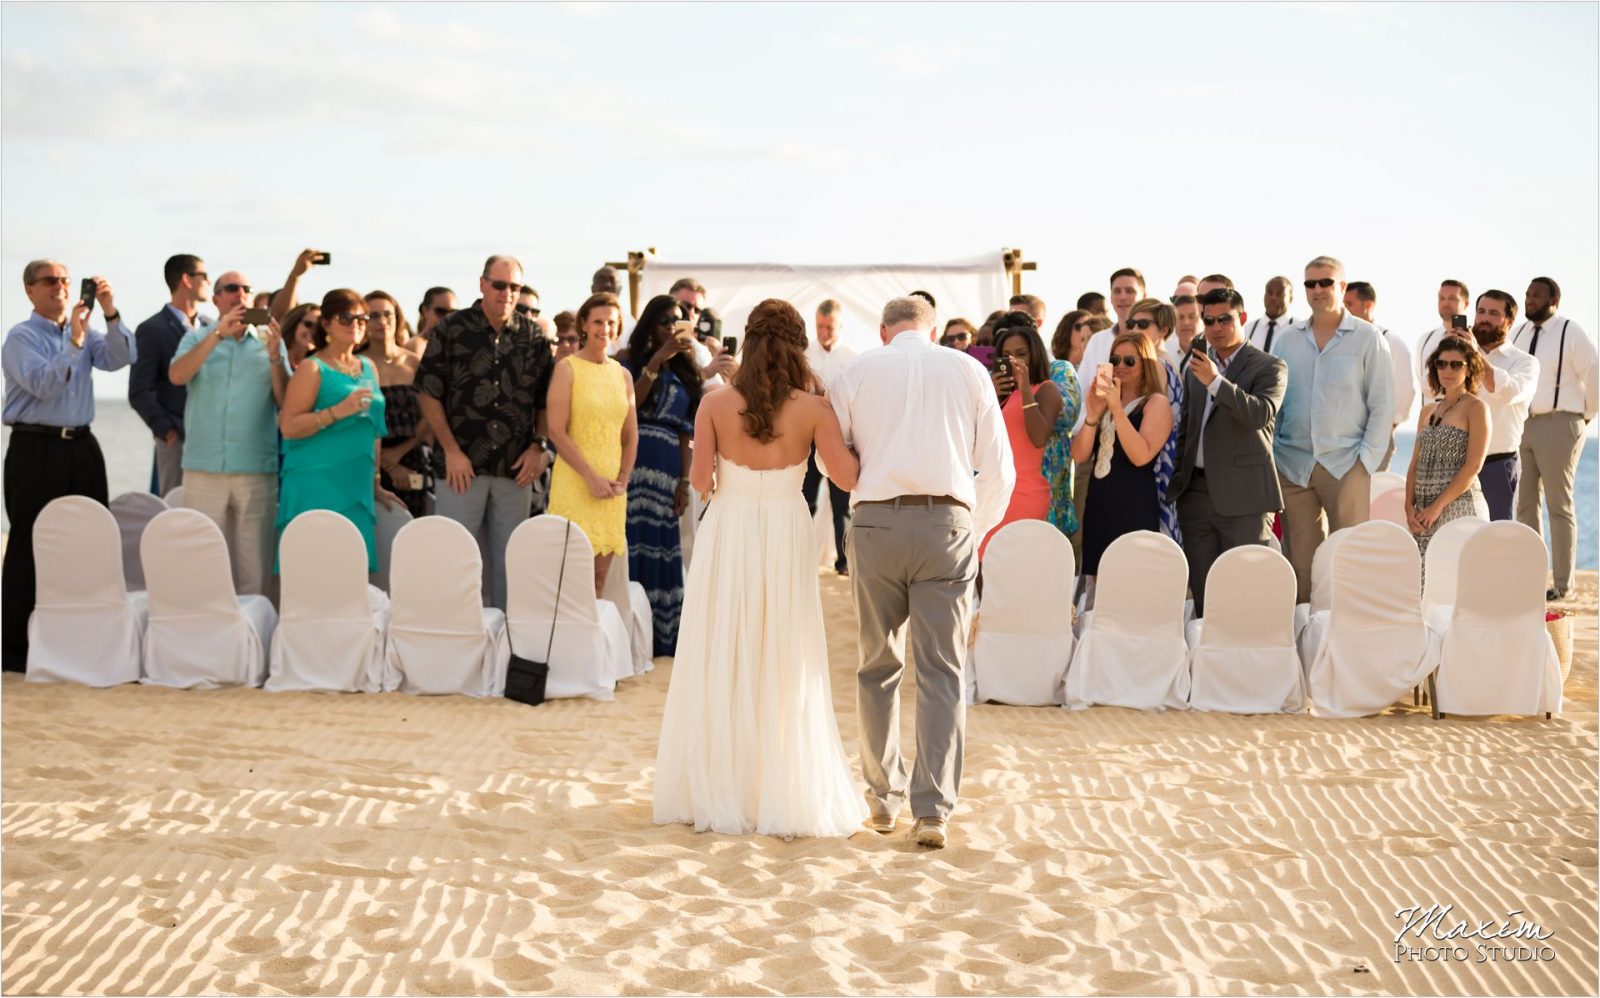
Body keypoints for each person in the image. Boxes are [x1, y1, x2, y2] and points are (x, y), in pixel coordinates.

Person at [653, 298, 867, 839]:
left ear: (747, 341)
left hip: (729, 531)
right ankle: (778, 785)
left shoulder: (717, 404)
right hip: (785, 530)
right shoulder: (816, 408)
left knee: (725, 646)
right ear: (799, 345)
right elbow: (844, 479)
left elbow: (701, 481)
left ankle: (724, 784)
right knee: (784, 649)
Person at [828, 295, 1013, 849]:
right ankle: (931, 811)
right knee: (943, 672)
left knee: (876, 665)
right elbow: (998, 470)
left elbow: (830, 463)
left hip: (876, 524)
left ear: (885, 331)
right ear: (931, 331)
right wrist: (971, 531)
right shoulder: (967, 370)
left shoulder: (856, 371)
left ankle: (882, 800)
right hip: (948, 523)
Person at [2, 261, 134, 671]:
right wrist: (74, 343)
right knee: (28, 544)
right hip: (34, 448)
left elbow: (121, 357)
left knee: (91, 539)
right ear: (29, 290)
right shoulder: (20, 338)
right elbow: (44, 384)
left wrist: (110, 313)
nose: (60, 286)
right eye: (49, 281)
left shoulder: (85, 332)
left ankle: (84, 641)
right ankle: (15, 653)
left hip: (81, 444)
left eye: (64, 280)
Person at [417, 255, 554, 610]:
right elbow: (428, 392)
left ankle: (506, 651)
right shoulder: (451, 329)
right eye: (500, 285)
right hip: (460, 468)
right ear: (482, 284)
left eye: (515, 287)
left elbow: (544, 401)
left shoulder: (534, 336)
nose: (507, 293)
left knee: (511, 565)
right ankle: (456, 644)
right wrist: (450, 450)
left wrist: (540, 445)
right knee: (457, 561)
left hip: (516, 470)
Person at [1271, 256, 1394, 603]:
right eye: (1310, 284)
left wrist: (1364, 463)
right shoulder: (1286, 339)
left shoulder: (1369, 338)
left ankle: (1349, 633)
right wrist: (1275, 455)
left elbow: (1383, 405)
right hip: (1292, 465)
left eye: (1325, 282)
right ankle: (1307, 637)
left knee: (1351, 558)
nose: (1317, 290)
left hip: (1346, 464)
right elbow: (1276, 400)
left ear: (1342, 287)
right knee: (1301, 563)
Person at [169, 269, 287, 598]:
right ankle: (206, 635)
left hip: (255, 469)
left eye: (247, 289)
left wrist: (277, 356)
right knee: (202, 561)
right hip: (203, 467)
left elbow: (285, 401)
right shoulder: (196, 338)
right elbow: (177, 376)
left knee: (255, 566)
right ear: (217, 298)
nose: (241, 294)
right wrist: (216, 336)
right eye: (231, 288)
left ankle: (254, 637)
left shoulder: (270, 342)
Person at [1169, 289, 1287, 617]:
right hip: (1195, 495)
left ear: (1243, 318)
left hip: (1244, 498)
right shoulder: (1196, 364)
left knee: (1248, 591)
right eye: (1209, 321)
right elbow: (1187, 426)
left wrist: (1216, 382)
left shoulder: (1269, 366)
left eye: (1225, 319)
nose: (1216, 327)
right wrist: (1181, 479)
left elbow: (1259, 414)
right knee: (1207, 596)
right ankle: (1210, 660)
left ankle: (1250, 663)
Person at [277, 289, 399, 570]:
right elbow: (289, 427)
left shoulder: (368, 366)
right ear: (327, 324)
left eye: (361, 318)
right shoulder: (312, 368)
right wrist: (336, 412)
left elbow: (375, 432)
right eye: (347, 317)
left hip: (356, 485)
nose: (356, 324)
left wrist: (376, 482)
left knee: (351, 570)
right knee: (314, 567)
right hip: (315, 483)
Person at [619, 295, 702, 655]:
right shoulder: (627, 362)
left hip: (668, 466)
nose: (673, 326)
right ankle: (630, 636)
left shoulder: (687, 371)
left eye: (679, 320)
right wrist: (655, 361)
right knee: (633, 540)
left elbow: (687, 433)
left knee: (663, 544)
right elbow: (628, 409)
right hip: (633, 462)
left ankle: (663, 636)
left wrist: (685, 481)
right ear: (650, 324)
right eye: (666, 320)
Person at [1511, 276, 1597, 599]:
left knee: (1558, 505)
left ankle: (1564, 586)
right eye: (1528, 294)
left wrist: (1584, 415)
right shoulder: (1518, 332)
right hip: (1524, 424)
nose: (1529, 300)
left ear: (1553, 299)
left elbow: (1593, 371)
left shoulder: (1570, 331)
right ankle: (1532, 580)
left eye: (1536, 295)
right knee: (1525, 505)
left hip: (1561, 423)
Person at [547, 292, 638, 596]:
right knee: (572, 581)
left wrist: (623, 479)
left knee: (598, 582)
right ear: (584, 324)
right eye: (598, 321)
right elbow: (556, 431)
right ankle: (566, 643)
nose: (604, 328)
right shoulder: (567, 368)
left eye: (611, 322)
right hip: (576, 483)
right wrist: (589, 476)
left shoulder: (623, 375)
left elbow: (630, 434)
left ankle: (590, 643)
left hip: (612, 489)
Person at [1071, 332, 1172, 593]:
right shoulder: (1104, 402)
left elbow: (1141, 455)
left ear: (1146, 363)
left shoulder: (1156, 403)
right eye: (1115, 359)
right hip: (1099, 504)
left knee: (1132, 586)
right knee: (1099, 583)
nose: (1120, 366)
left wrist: (1116, 408)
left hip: (1134, 505)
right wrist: (1093, 414)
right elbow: (1080, 455)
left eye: (1130, 360)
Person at [1406, 335, 1490, 576]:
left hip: (1459, 510)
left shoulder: (1477, 408)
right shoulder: (1427, 410)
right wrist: (1408, 507)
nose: (1447, 370)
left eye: (1456, 364)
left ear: (1469, 368)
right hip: (1423, 514)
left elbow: (1473, 466)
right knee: (1424, 590)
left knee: (1459, 588)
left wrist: (1436, 507)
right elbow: (1415, 464)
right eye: (1441, 364)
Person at [983, 314, 1067, 554]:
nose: (1014, 360)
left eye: (1021, 353)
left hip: (1025, 492)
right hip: (992, 491)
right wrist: (991, 396)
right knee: (985, 569)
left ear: (1034, 355)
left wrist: (1025, 389)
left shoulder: (1046, 390)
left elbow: (1039, 436)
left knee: (1018, 567)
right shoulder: (996, 393)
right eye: (1007, 355)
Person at [130, 254, 207, 497]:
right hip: (176, 437)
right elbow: (139, 390)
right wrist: (166, 431)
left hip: (209, 438)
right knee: (175, 505)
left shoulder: (211, 327)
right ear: (186, 280)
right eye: (203, 276)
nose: (209, 281)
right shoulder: (152, 329)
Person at [1464, 290, 1538, 521]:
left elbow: (1507, 391)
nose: (1484, 318)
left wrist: (1474, 353)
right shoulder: (1457, 356)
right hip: (1457, 463)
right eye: (1481, 312)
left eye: (1494, 313)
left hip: (1497, 465)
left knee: (1497, 536)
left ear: (1509, 321)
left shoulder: (1525, 362)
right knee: (1454, 534)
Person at [360, 290, 430, 517]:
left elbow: (429, 415)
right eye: (373, 316)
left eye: (387, 314)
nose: (382, 321)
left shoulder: (414, 364)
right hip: (366, 462)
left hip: (410, 462)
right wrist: (387, 464)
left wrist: (399, 455)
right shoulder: (357, 364)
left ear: (397, 317)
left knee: (411, 534)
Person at [803, 299, 859, 574]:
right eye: (819, 326)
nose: (823, 332)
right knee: (804, 500)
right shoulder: (803, 354)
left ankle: (845, 561)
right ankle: (800, 558)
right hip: (807, 438)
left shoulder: (853, 357)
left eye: (829, 327)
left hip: (840, 437)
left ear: (840, 325)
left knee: (842, 505)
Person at [1124, 298, 1185, 543]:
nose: (1136, 330)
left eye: (1143, 324)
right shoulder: (1160, 360)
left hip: (1155, 462)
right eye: (1131, 323)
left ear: (1163, 330)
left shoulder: (1157, 364)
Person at [1343, 281, 1416, 470]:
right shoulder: (1340, 340)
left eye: (1349, 305)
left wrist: (1384, 427)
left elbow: (1404, 392)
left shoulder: (1391, 342)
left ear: (1368, 306)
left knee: (1372, 494)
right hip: (1342, 439)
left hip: (1377, 437)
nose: (1343, 311)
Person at [1075, 267, 1147, 424]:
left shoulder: (1151, 342)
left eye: (1130, 291)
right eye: (1117, 291)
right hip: (1098, 434)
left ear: (1144, 296)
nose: (1123, 297)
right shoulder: (1097, 341)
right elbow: (1082, 392)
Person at [1413, 279, 1471, 392]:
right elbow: (1423, 384)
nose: (1445, 303)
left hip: (1466, 407)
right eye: (1442, 298)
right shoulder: (1425, 339)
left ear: (1466, 303)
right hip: (1432, 407)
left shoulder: (1475, 339)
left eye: (1452, 299)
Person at [1244, 276, 1296, 353]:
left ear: (1291, 299)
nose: (1273, 298)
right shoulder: (1248, 329)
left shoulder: (1299, 330)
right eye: (1269, 293)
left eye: (1280, 294)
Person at [281, 303, 320, 372]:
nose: (314, 331)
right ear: (294, 323)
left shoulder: (320, 366)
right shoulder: (273, 355)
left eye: (319, 328)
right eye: (308, 324)